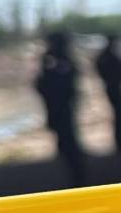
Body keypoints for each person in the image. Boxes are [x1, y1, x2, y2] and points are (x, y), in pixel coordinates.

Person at [35, 31, 87, 186]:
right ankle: (75, 176)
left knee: (68, 143)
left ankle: (77, 177)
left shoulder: (60, 62)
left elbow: (52, 85)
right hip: (58, 108)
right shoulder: (55, 61)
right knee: (66, 142)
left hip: (62, 108)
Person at [93, 34, 121, 155]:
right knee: (120, 114)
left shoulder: (108, 55)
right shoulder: (108, 56)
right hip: (113, 87)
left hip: (114, 86)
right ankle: (120, 143)